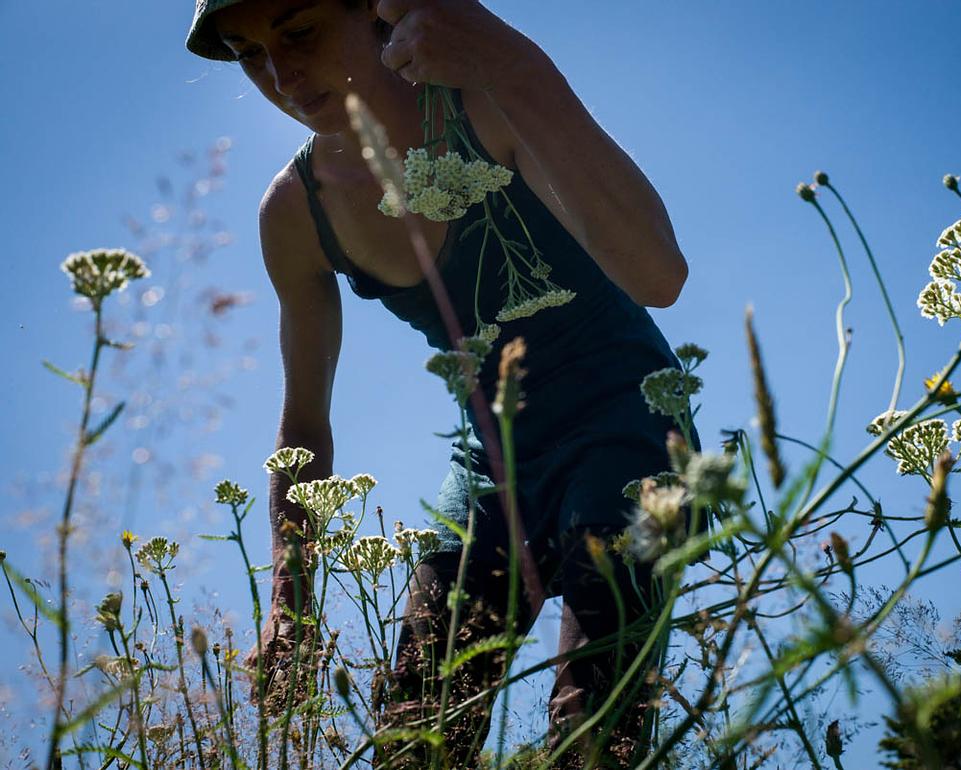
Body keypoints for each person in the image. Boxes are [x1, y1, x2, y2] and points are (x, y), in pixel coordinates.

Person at [186, 0, 692, 766]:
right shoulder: (296, 212)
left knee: (596, 732)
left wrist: (507, 56)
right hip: (493, 464)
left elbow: (660, 274)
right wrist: (292, 603)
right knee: (415, 737)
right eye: (250, 54)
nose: (282, 75)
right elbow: (303, 431)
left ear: (376, 7)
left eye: (298, 32)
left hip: (629, 420)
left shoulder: (487, 99)